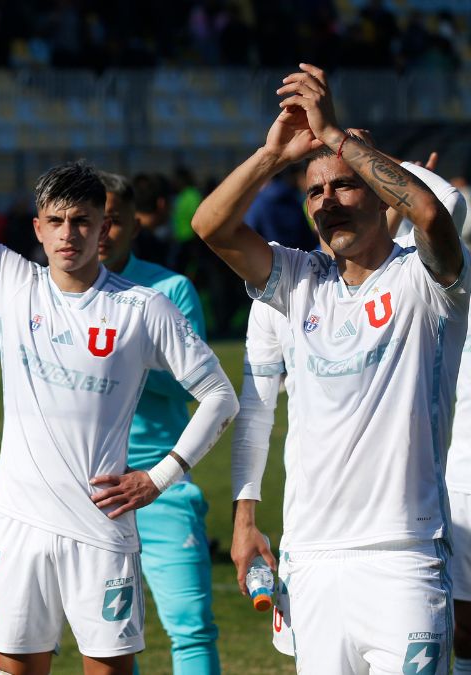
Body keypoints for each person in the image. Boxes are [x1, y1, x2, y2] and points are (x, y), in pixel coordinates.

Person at [0, 49, 238, 675]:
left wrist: (161, 476)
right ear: (37, 227)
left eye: (81, 221)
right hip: (20, 522)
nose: (68, 233)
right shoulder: (12, 283)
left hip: (103, 527)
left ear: (101, 228)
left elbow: (220, 397)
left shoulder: (143, 308)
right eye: (56, 221)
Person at [195, 63, 467, 673]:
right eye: (315, 192)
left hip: (404, 557)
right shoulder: (297, 281)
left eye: (345, 186)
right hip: (311, 558)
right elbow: (210, 226)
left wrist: (338, 136)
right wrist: (273, 155)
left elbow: (430, 215)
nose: (328, 202)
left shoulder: (423, 283)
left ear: (379, 196)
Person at [97, 171, 219, 674]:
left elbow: (195, 384)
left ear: (134, 225)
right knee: (107, 639)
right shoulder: (53, 293)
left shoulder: (171, 289)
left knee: (190, 627)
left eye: (113, 222)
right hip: (89, 489)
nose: (100, 233)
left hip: (160, 481)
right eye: (90, 221)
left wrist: (113, 362)